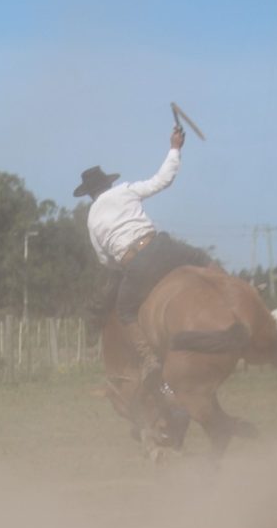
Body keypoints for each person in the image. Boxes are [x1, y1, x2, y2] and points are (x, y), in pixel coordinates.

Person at [75, 126, 195, 389]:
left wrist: (122, 262)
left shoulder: (92, 217)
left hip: (135, 265)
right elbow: (162, 179)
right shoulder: (125, 190)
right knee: (199, 258)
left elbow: (104, 259)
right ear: (108, 183)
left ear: (89, 193)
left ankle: (150, 360)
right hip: (162, 247)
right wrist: (175, 147)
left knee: (125, 311)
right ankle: (239, 286)